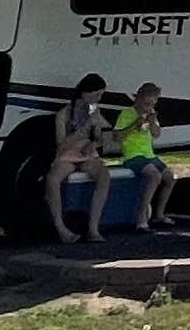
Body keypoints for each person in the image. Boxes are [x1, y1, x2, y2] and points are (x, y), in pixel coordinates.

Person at [49, 73, 111, 242]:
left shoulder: (94, 112)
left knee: (103, 175)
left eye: (100, 95)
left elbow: (99, 137)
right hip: (68, 154)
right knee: (53, 179)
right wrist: (83, 130)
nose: (98, 99)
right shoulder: (64, 114)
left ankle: (93, 228)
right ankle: (60, 227)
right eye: (96, 94)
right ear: (85, 92)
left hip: (87, 154)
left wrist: (94, 142)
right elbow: (61, 144)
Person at [117, 90, 176, 231]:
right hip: (132, 155)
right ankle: (141, 215)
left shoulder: (151, 114)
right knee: (154, 175)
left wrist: (152, 122)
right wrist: (135, 124)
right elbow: (117, 136)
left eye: (152, 103)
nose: (148, 107)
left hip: (149, 155)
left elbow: (156, 135)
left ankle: (159, 214)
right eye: (146, 103)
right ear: (138, 99)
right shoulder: (127, 114)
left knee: (170, 177)